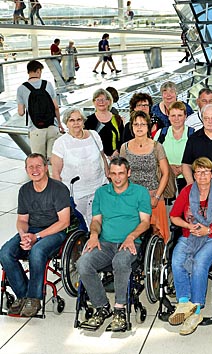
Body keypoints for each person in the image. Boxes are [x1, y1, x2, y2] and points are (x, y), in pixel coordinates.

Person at [76, 157, 151, 332]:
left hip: (131, 243)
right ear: (109, 174)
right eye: (114, 174)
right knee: (83, 263)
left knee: (120, 261)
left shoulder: (140, 192)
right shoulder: (101, 193)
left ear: (129, 173)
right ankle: (102, 307)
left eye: (121, 173)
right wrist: (94, 235)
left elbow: (145, 222)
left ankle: (120, 309)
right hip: (106, 243)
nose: (117, 178)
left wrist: (131, 236)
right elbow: (96, 220)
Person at [167, 157, 212, 335]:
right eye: (198, 172)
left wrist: (209, 229)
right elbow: (174, 216)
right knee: (177, 260)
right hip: (190, 234)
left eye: (206, 172)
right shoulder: (187, 191)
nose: (202, 175)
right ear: (194, 175)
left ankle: (196, 310)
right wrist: (189, 226)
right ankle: (183, 304)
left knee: (199, 263)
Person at [0, 153, 71, 317]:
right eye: (30, 167)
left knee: (37, 252)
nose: (35, 170)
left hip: (55, 231)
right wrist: (24, 235)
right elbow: (22, 220)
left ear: (46, 168)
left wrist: (36, 237)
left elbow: (64, 222)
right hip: (31, 230)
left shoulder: (58, 189)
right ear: (26, 170)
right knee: (5, 253)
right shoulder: (24, 190)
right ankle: (23, 295)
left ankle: (34, 298)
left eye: (39, 166)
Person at [51, 108, 108, 226]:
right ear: (66, 123)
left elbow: (103, 158)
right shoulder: (61, 143)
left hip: (98, 188)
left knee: (100, 223)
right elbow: (56, 172)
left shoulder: (94, 135)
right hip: (76, 193)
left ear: (83, 121)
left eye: (79, 119)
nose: (76, 123)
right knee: (82, 226)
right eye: (72, 120)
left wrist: (108, 177)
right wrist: (60, 196)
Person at [120, 110, 171, 242]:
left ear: (148, 126)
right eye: (136, 124)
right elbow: (121, 174)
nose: (139, 127)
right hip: (132, 198)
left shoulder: (157, 146)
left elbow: (166, 173)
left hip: (153, 197)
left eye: (142, 124)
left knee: (156, 233)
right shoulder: (124, 148)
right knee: (133, 234)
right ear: (131, 127)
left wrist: (157, 196)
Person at [17, 60, 65, 160]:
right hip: (53, 127)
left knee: (39, 161)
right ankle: (54, 175)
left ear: (28, 72)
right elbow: (56, 107)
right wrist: (59, 124)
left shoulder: (21, 88)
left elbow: (21, 112)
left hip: (36, 130)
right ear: (38, 71)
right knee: (54, 160)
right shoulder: (48, 84)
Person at [154, 101, 189, 193]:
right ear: (168, 116)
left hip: (188, 181)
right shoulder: (161, 134)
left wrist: (184, 168)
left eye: (180, 115)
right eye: (173, 115)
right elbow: (153, 157)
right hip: (166, 181)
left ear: (185, 116)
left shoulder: (193, 134)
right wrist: (168, 168)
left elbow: (199, 158)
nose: (176, 119)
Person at [84, 89, 124, 161]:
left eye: (103, 99)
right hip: (95, 159)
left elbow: (122, 139)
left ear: (109, 102)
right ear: (94, 102)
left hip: (115, 159)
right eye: (98, 99)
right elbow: (86, 142)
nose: (101, 102)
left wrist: (116, 153)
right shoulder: (88, 121)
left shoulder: (117, 119)